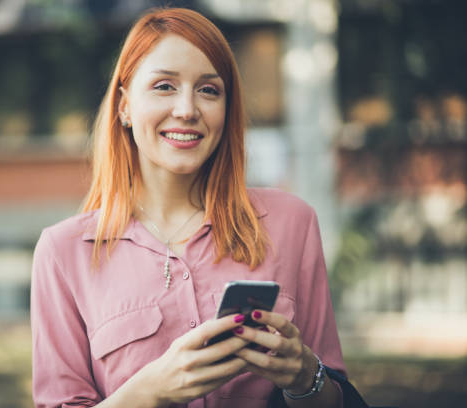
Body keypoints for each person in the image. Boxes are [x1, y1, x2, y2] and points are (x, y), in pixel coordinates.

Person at [31, 7, 348, 408]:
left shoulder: (292, 223)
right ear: (124, 106)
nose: (187, 109)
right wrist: (150, 392)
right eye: (164, 86)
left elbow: (337, 396)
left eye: (208, 90)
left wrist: (305, 378)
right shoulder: (63, 252)